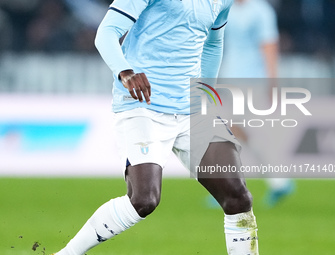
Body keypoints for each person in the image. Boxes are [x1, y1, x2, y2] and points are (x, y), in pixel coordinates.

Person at [52, 0, 259, 254]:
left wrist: (207, 94)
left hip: (191, 108)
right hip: (142, 105)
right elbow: (106, 32)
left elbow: (213, 43)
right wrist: (125, 71)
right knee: (144, 200)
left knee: (238, 196)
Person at [218, 0, 294, 207]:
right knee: (238, 132)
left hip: (253, 80)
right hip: (230, 77)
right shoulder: (227, 7)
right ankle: (277, 181)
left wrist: (273, 82)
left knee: (234, 130)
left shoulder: (261, 11)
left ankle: (230, 185)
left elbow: (269, 47)